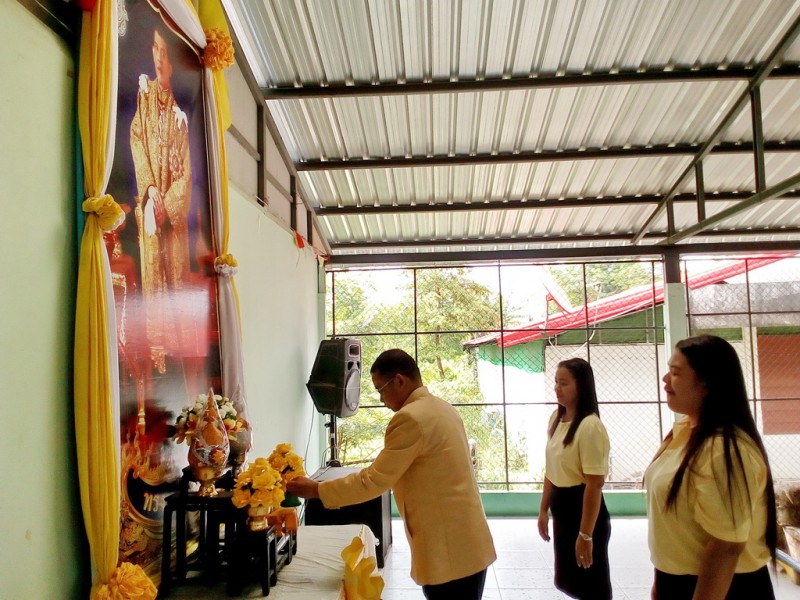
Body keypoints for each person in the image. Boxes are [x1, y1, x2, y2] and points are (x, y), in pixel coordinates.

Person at [287, 349, 496, 599]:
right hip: (468, 541)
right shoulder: (442, 408)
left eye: (381, 390)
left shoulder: (410, 418)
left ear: (399, 380)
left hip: (449, 549)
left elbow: (374, 480)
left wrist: (316, 490)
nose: (381, 399)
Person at [644, 335, 777, 600]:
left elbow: (726, 547)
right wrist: (661, 583)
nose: (665, 380)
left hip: (722, 587)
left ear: (706, 383)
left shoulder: (724, 450)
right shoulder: (685, 431)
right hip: (679, 582)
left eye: (675, 373)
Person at [537, 357, 612, 599]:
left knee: (592, 585)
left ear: (581, 386)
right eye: (556, 382)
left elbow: (594, 484)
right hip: (562, 511)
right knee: (570, 581)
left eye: (564, 383)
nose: (557, 388)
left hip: (582, 511)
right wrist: (543, 510)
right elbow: (551, 471)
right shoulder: (556, 419)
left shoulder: (590, 426)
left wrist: (586, 533)